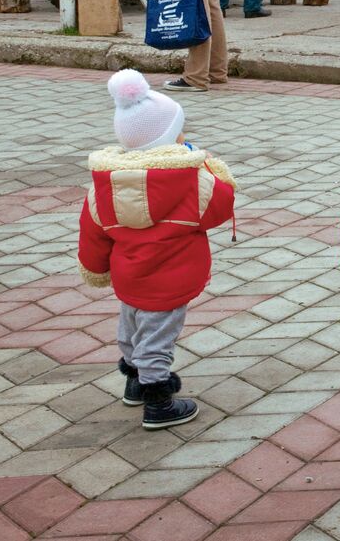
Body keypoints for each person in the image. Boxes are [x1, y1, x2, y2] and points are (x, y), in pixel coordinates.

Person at [78, 69, 236, 430]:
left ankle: (134, 382)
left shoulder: (104, 186)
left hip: (128, 277)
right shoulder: (193, 182)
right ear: (169, 140)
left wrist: (96, 268)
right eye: (179, 131)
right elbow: (221, 206)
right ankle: (158, 402)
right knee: (158, 340)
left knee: (130, 327)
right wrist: (210, 166)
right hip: (171, 282)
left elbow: (92, 232)